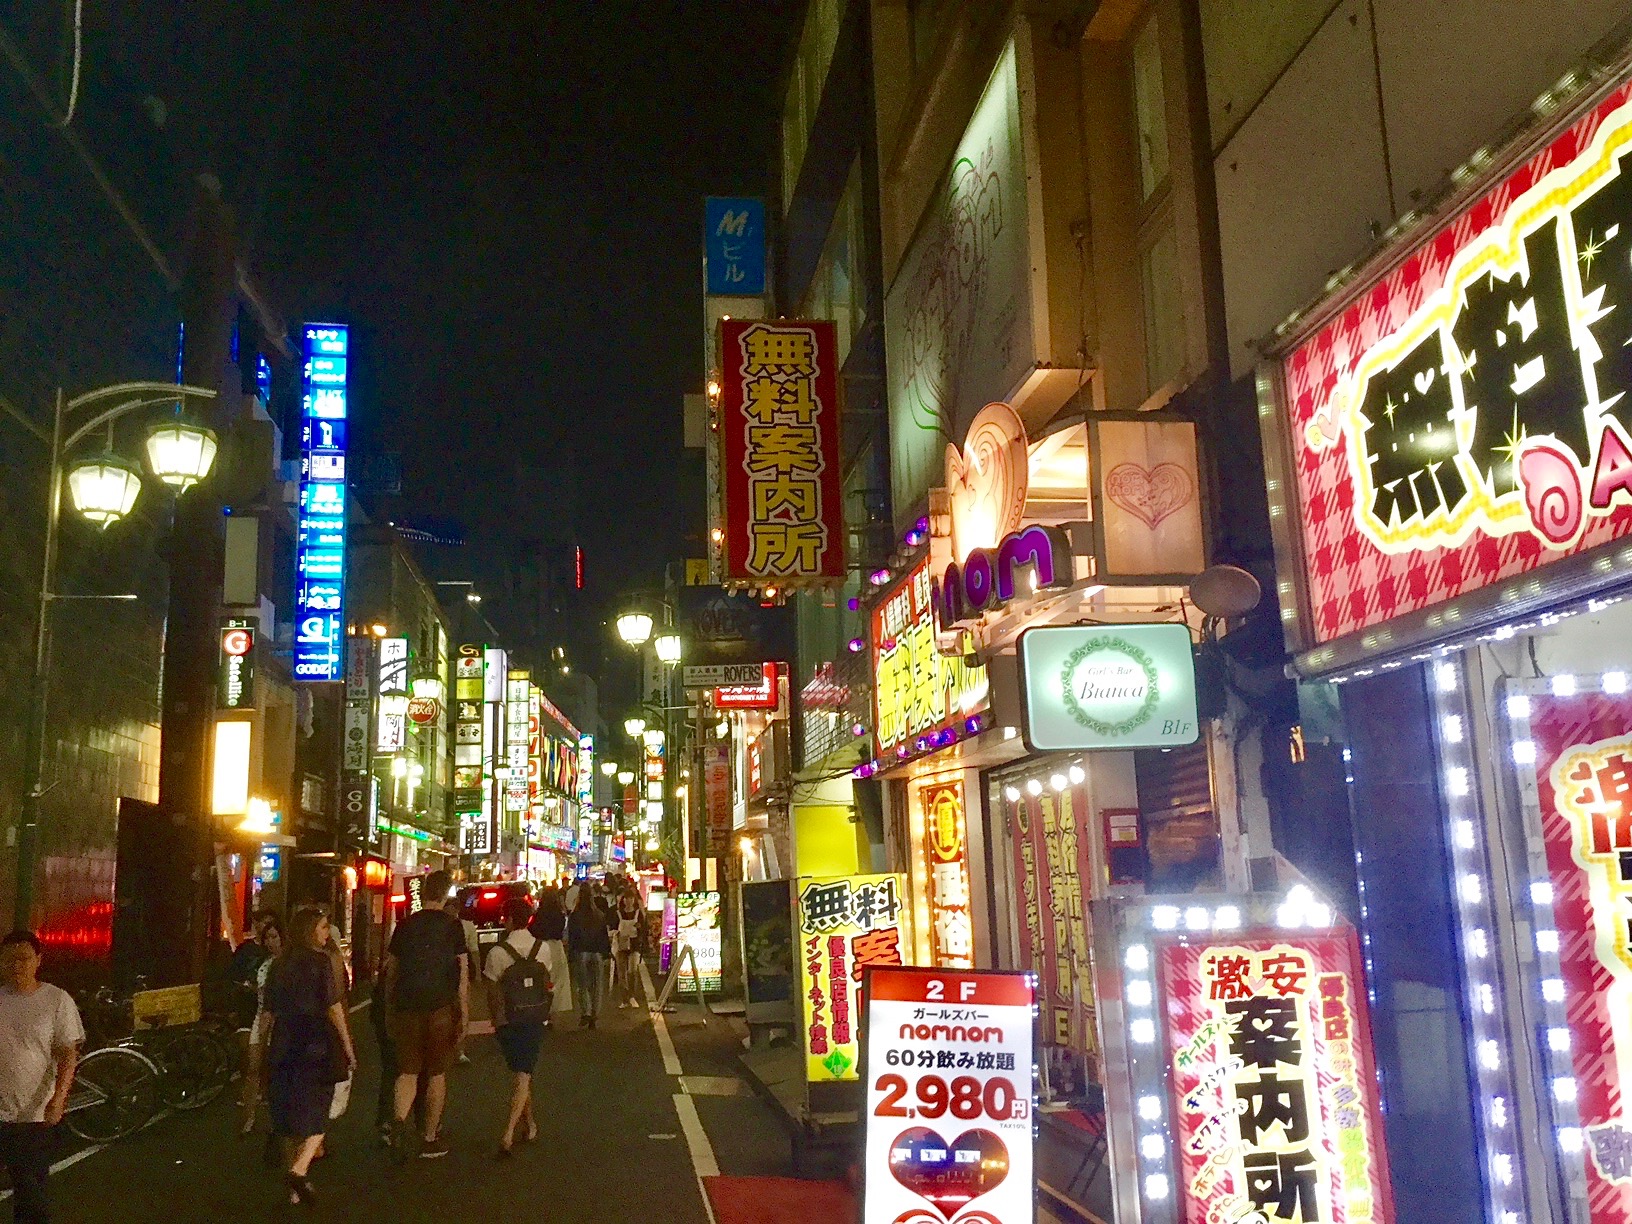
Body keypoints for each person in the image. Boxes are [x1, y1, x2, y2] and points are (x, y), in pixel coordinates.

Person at [259, 907, 356, 1209]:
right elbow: (333, 1007)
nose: (327, 933)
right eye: (324, 927)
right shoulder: (320, 962)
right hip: (315, 1041)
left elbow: (267, 1012)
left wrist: (262, 1047)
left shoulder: (278, 965)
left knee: (286, 1113)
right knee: (318, 1111)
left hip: (283, 1041)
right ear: (310, 930)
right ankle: (299, 1171)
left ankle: (293, 1189)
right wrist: (348, 1047)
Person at [381, 870, 467, 1159]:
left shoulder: (406, 925)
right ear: (446, 894)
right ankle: (429, 1137)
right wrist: (464, 1012)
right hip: (441, 1005)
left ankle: (398, 1122)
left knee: (407, 1071)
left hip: (407, 1005)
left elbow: (391, 971)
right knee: (436, 1073)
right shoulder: (453, 927)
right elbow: (461, 975)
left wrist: (389, 1007)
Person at [0, 931, 82, 1224]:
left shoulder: (56, 1000)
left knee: (29, 1188)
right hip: (1, 1110)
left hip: (34, 1113)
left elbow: (68, 1054)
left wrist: (59, 1099)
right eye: (9, 959)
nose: (16, 965)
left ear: (38, 961)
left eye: (23, 958)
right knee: (24, 1183)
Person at [482, 899, 549, 1155]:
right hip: (535, 1018)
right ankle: (528, 1125)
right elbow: (548, 982)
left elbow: (492, 991)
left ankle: (509, 1132)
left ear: (508, 919)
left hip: (508, 1021)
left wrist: (496, 1020)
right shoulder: (542, 949)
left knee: (521, 1072)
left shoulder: (497, 953)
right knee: (524, 1073)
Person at [241, 915, 284, 1140]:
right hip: (261, 1016)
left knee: (275, 1071)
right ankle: (248, 1118)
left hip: (280, 1021)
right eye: (267, 938)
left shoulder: (287, 964)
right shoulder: (265, 963)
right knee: (253, 1067)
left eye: (274, 937)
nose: (270, 942)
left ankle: (278, 1121)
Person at [566, 886, 611, 1028]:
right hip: (597, 953)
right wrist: (606, 953)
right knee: (597, 985)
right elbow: (604, 936)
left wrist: (570, 954)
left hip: (581, 953)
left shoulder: (575, 916)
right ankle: (594, 1014)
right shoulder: (599, 915)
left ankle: (586, 1011)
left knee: (583, 985)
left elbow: (572, 937)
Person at [528, 888, 573, 1025]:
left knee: (542, 980)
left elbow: (533, 930)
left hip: (541, 947)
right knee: (557, 981)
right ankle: (554, 1012)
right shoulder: (559, 915)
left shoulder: (538, 915)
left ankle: (544, 1013)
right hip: (556, 947)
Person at [612, 882, 644, 1009]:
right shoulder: (618, 914)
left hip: (634, 945)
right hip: (621, 945)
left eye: (631, 898)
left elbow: (644, 928)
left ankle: (632, 996)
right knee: (622, 974)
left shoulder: (638, 913)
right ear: (623, 900)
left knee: (632, 971)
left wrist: (639, 927)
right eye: (626, 898)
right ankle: (624, 999)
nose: (628, 901)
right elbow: (612, 927)